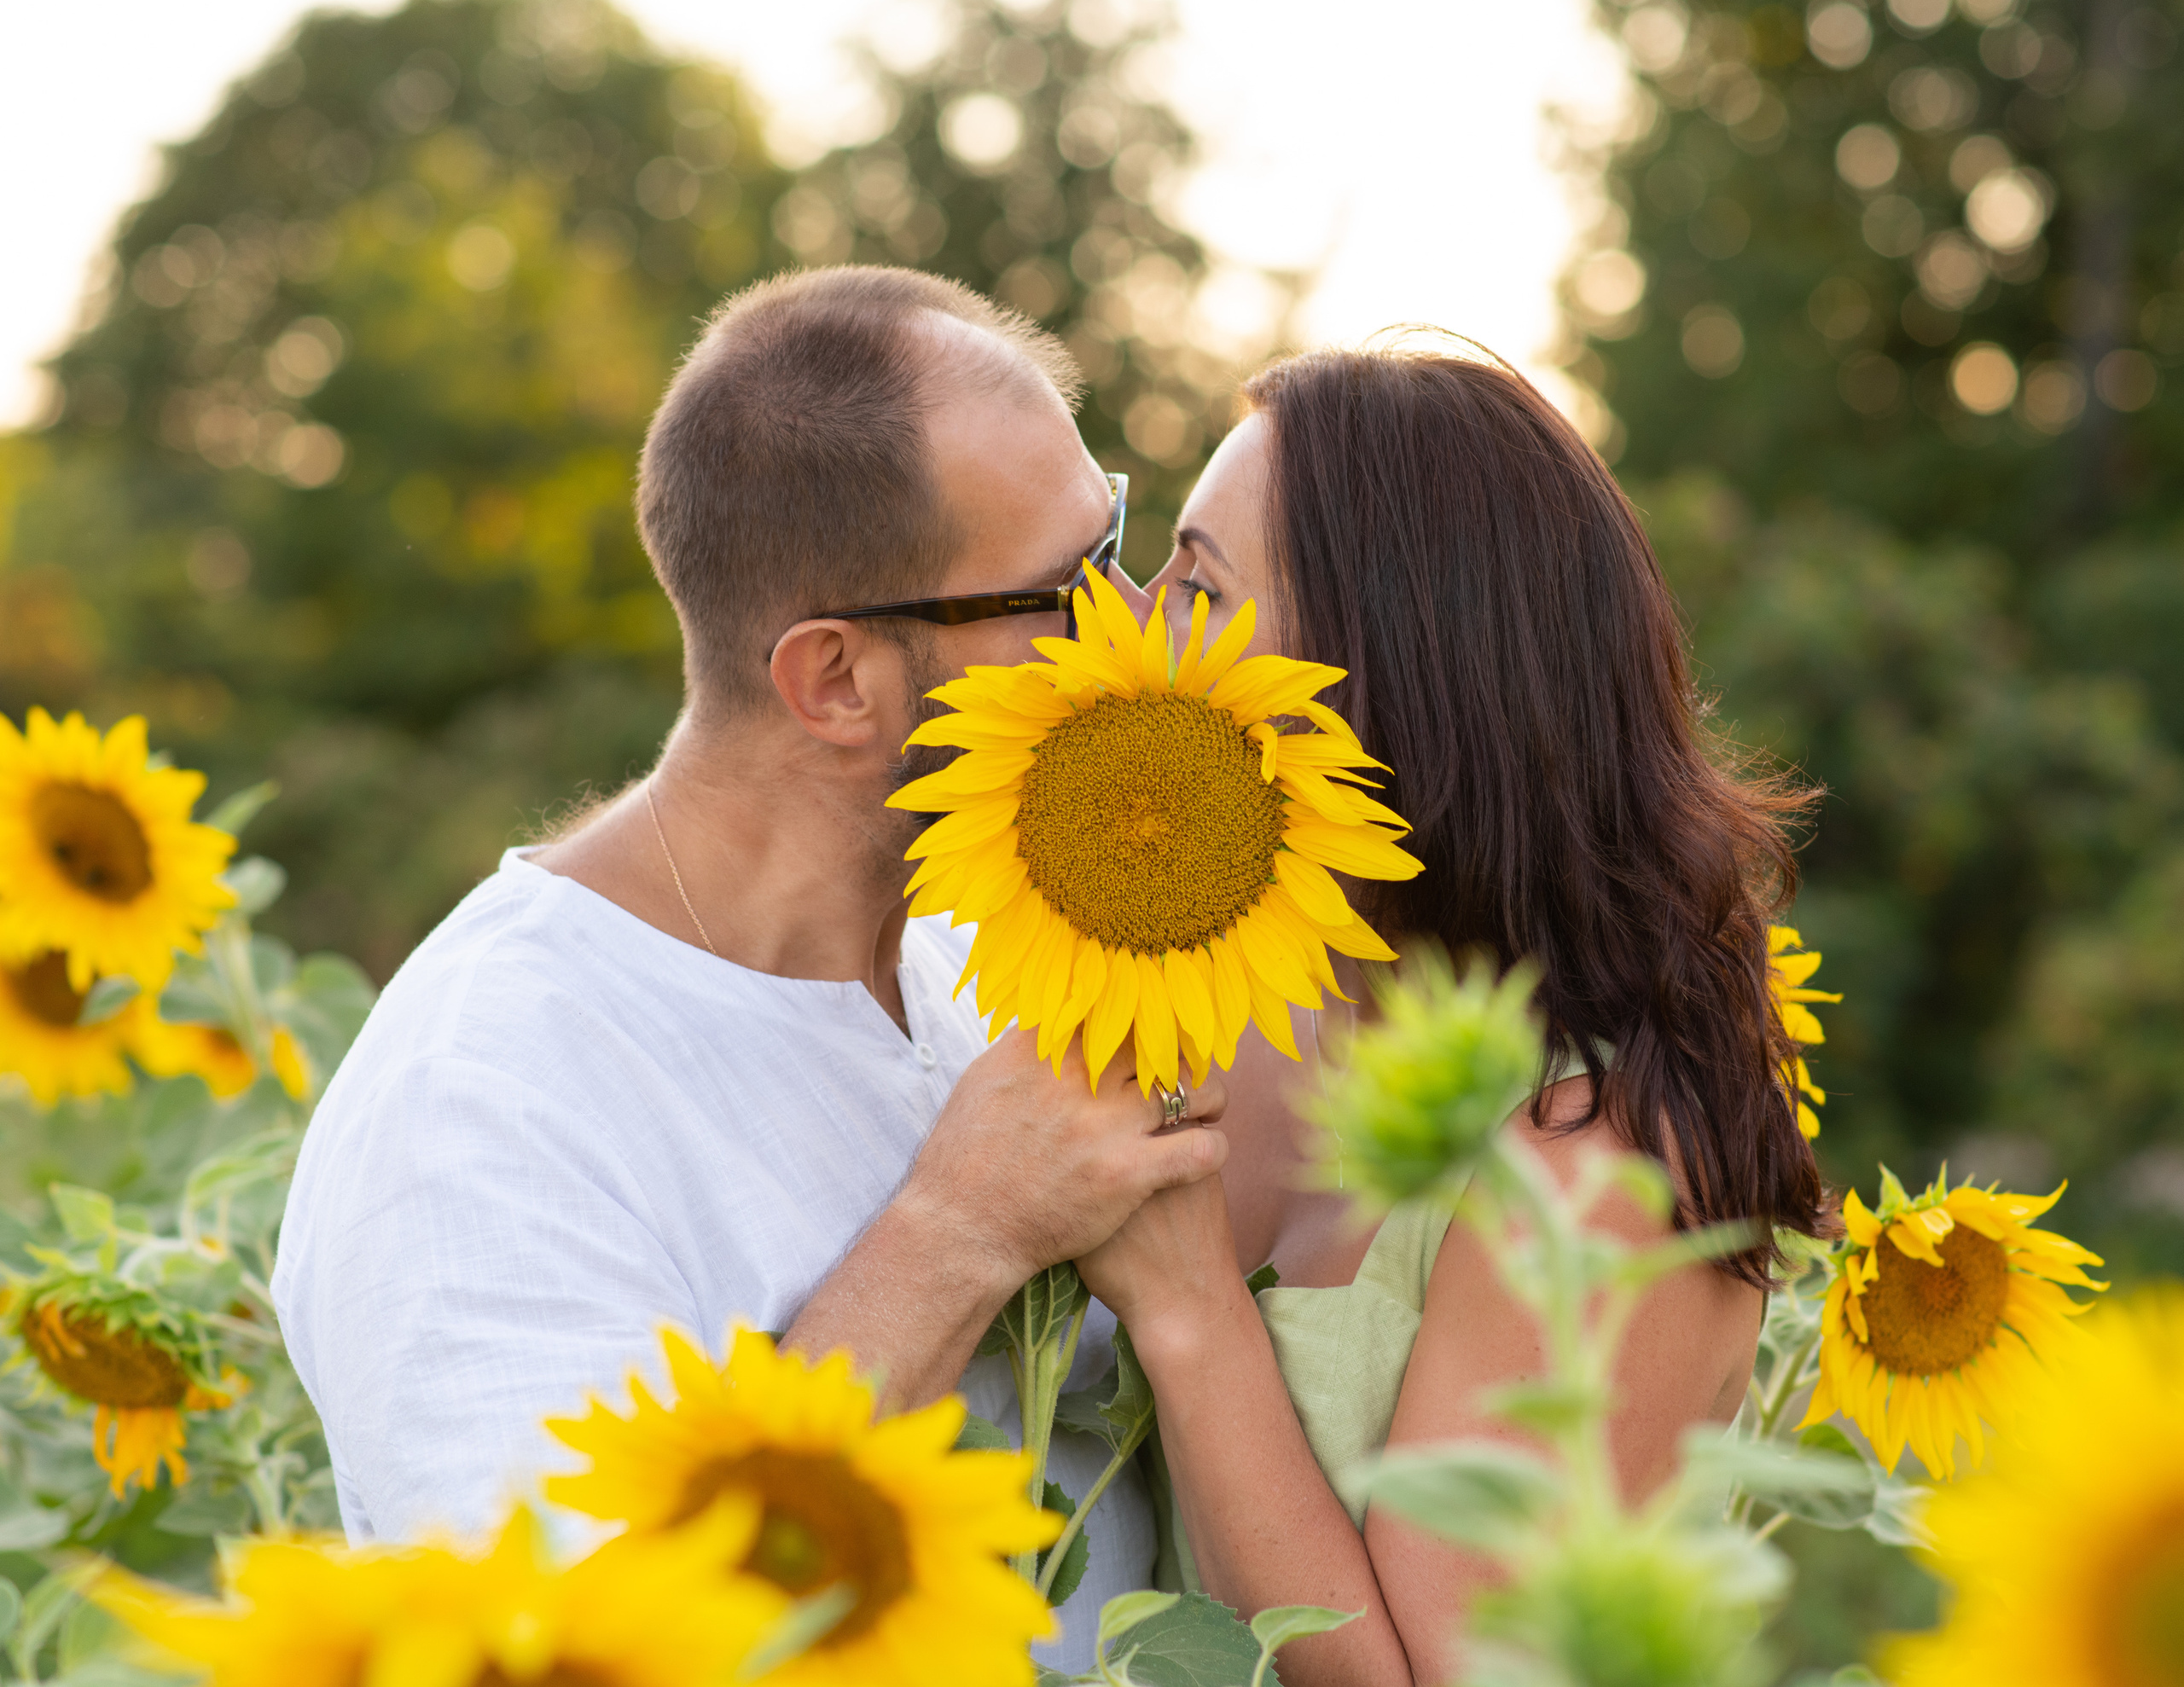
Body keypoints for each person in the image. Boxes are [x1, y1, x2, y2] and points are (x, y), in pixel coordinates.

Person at [270, 265, 1228, 1673]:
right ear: (837, 679)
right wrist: (954, 1230)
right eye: (1069, 588)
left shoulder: (992, 947)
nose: (1140, 620)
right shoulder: (478, 1099)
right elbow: (571, 1649)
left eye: (1121, 539)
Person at [1076, 336, 1831, 1684]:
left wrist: (1188, 1302)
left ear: (1387, 670)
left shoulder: (1613, 1160)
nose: (1131, 616)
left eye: (1197, 581)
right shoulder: (1248, 1001)